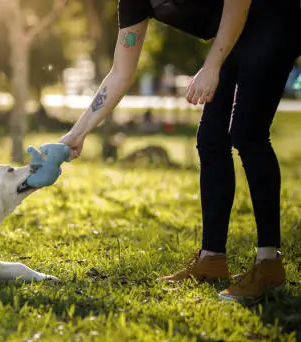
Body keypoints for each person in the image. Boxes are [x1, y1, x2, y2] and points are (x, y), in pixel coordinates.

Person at [59, 0, 301, 303]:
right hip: (236, 37)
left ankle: (269, 264)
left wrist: (212, 66)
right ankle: (212, 260)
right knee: (211, 140)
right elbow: (120, 72)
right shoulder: (134, 3)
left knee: (247, 133)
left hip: (274, 18)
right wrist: (77, 133)